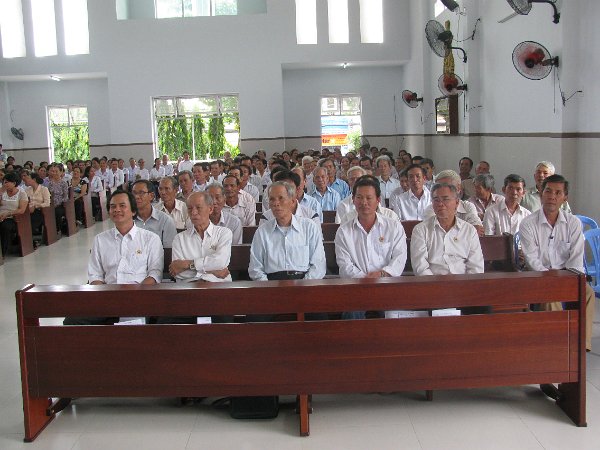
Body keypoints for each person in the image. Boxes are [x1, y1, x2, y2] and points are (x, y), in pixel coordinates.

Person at [519, 174, 595, 352]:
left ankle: (581, 346)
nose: (552, 196)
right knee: (551, 297)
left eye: (558, 192)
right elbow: (532, 260)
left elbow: (576, 258)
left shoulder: (573, 223)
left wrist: (566, 280)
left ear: (565, 197)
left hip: (568, 276)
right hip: (540, 277)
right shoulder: (528, 223)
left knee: (587, 293)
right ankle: (557, 347)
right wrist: (552, 280)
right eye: (548, 191)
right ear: (541, 193)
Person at [65, 190, 163, 325]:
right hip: (107, 298)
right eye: (112, 207)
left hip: (139, 297)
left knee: (135, 328)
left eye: (122, 206)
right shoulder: (100, 239)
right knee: (72, 321)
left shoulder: (150, 239)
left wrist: (135, 295)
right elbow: (95, 275)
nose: (117, 210)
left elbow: (155, 274)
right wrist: (106, 297)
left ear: (133, 211)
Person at [335, 176, 408, 320]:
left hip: (387, 284)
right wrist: (365, 280)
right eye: (359, 198)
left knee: (394, 315)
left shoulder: (393, 226)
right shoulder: (344, 231)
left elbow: (400, 257)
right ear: (353, 200)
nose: (364, 202)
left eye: (369, 198)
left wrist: (382, 274)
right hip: (357, 286)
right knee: (351, 314)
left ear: (378, 200)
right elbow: (344, 265)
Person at [411, 183, 485, 315]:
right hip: (433, 289)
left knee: (484, 308)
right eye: (436, 200)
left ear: (456, 202)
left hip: (465, 288)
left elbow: (476, 266)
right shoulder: (421, 230)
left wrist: (464, 288)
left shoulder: (469, 230)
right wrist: (438, 289)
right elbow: (420, 267)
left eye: (445, 199)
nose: (440, 204)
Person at [249, 181, 325, 282]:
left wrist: (304, 286)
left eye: (281, 198)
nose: (276, 204)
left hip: (304, 283)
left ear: (292, 201)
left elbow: (318, 266)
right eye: (272, 199)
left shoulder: (309, 227)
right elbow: (255, 268)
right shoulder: (262, 231)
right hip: (271, 284)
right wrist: (268, 287)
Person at [169, 191, 232, 284]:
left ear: (210, 209)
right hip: (189, 287)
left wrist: (188, 265)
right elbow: (178, 272)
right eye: (190, 208)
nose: (193, 212)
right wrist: (213, 271)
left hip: (219, 286)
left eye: (198, 208)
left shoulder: (223, 233)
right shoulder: (179, 238)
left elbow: (220, 262)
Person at [423, 170, 483, 235]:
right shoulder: (431, 208)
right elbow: (432, 233)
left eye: (447, 186)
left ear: (458, 188)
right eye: (438, 187)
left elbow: (477, 231)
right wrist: (466, 232)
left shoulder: (467, 207)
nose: (442, 190)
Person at [131, 180, 177, 248]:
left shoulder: (165, 221)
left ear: (151, 196)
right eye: (134, 193)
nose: (136, 196)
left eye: (141, 193)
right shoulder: (127, 219)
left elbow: (169, 250)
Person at [0, 172, 29, 255]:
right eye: (3, 182)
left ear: (14, 183)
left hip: (13, 218)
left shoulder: (22, 193)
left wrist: (8, 214)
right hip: (1, 215)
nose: (4, 184)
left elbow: (22, 210)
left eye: (6, 182)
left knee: (5, 227)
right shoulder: (2, 192)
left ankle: (3, 252)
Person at [23, 172, 51, 237]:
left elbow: (47, 203)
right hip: (28, 210)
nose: (26, 180)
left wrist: (36, 206)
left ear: (34, 179)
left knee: (31, 222)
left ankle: (32, 236)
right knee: (22, 220)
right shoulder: (27, 190)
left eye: (28, 178)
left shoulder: (44, 189)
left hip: (40, 211)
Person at [47, 163, 70, 233]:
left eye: (56, 171)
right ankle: (49, 230)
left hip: (61, 204)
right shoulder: (50, 183)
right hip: (51, 203)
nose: (54, 173)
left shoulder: (64, 183)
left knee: (57, 212)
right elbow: (48, 194)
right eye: (53, 171)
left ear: (61, 172)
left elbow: (65, 197)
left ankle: (58, 230)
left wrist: (57, 203)